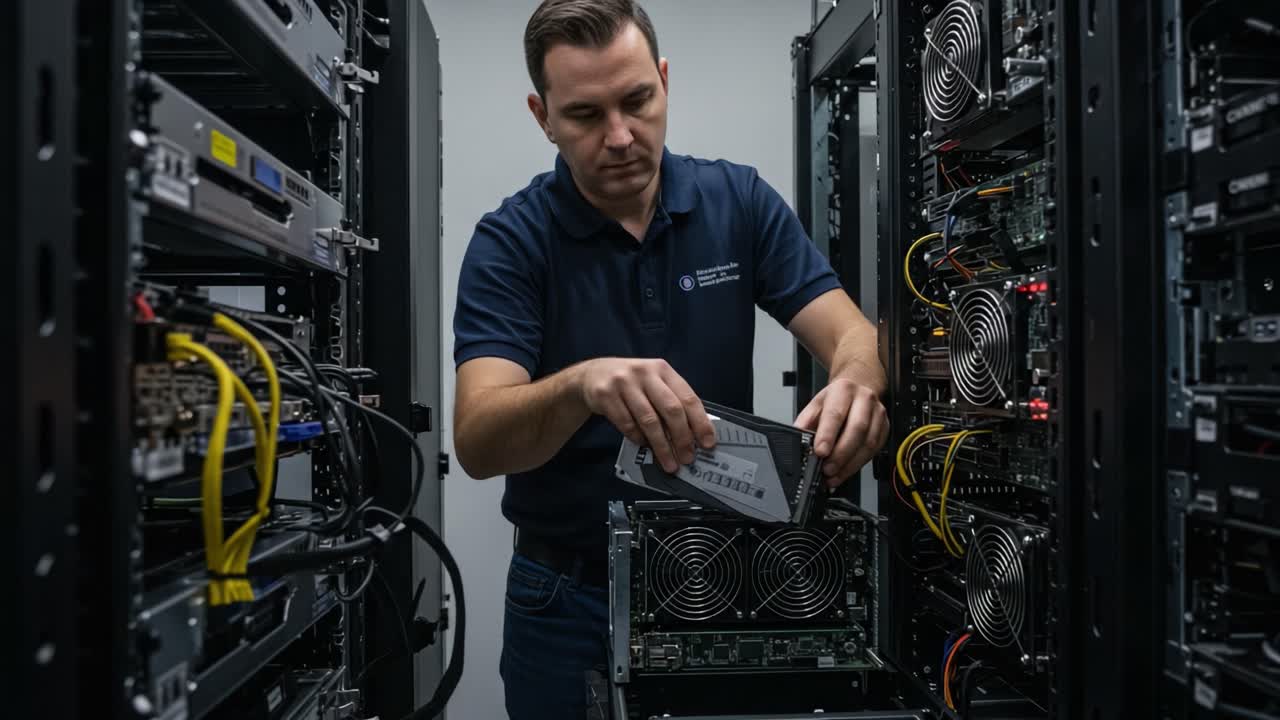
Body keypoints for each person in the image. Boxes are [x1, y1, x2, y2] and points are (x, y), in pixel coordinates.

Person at [451, 1, 889, 717]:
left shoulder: (737, 201)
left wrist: (858, 386)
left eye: (637, 101)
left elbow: (854, 337)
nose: (621, 136)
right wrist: (582, 385)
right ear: (543, 116)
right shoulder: (512, 242)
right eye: (586, 115)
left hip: (719, 581)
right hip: (565, 599)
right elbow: (477, 438)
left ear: (663, 80)